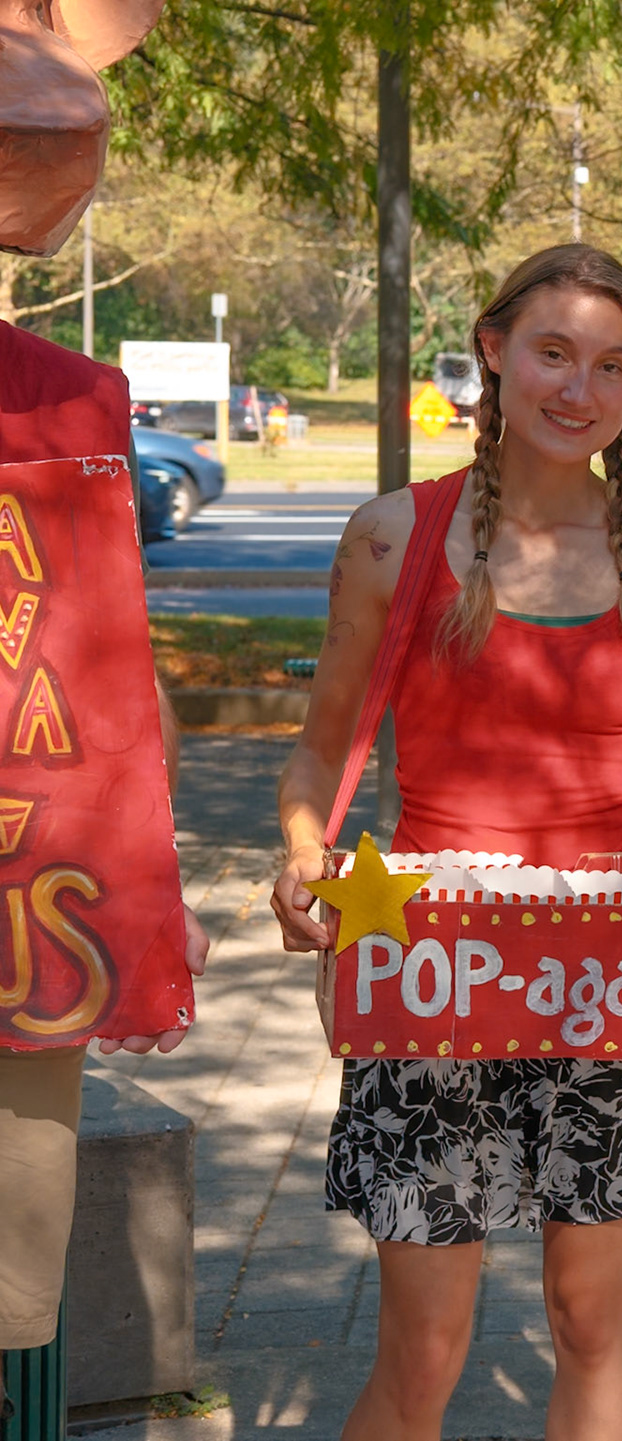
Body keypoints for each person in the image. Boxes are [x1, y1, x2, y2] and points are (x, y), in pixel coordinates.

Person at [271, 245, 622, 1440]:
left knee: (588, 1322)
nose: (580, 389)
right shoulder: (392, 539)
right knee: (426, 1349)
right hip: (434, 978)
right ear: (495, 351)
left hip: (612, 984)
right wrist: (301, 852)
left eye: (612, 366)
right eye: (555, 352)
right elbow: (319, 753)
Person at [1, 0, 210, 1408]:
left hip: (35, 899)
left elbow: (104, 658)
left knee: (19, 1260)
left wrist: (138, 816)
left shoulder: (71, 404)